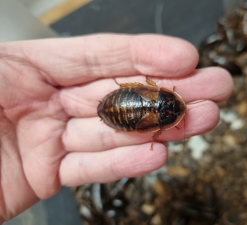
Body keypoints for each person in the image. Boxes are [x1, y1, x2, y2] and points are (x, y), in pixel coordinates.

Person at [0, 34, 233, 222]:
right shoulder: (163, 119)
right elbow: (145, 128)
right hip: (118, 104)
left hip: (123, 99)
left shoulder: (159, 93)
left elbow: (144, 104)